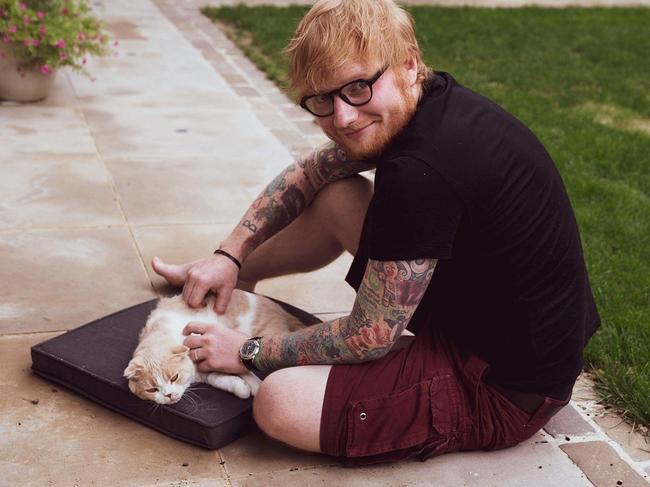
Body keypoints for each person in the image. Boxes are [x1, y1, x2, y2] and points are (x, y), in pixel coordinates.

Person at [153, 0, 600, 465]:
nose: (343, 117)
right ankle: (236, 282)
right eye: (323, 100)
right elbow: (312, 172)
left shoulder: (423, 173)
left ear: (408, 63)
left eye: (358, 87)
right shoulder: (429, 100)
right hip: (489, 318)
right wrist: (228, 257)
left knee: (280, 401)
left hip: (503, 387)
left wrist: (247, 350)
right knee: (337, 197)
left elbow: (368, 336)